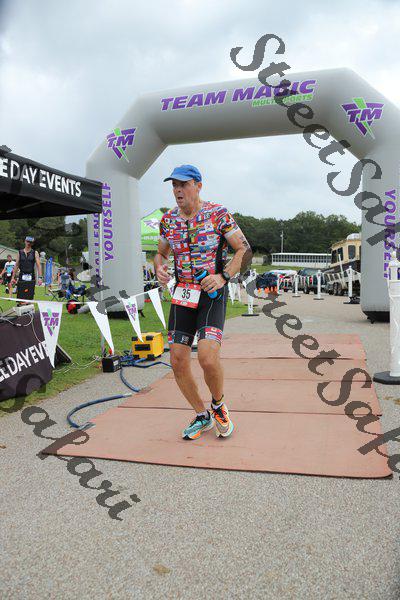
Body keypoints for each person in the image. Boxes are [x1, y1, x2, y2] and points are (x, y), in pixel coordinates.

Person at [154, 164, 252, 440]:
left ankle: (218, 405)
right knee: (177, 359)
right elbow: (160, 254)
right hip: (183, 294)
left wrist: (223, 276)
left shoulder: (218, 214)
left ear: (198, 185)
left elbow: (243, 249)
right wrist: (159, 268)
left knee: (207, 358)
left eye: (183, 184)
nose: (178, 190)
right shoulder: (168, 220)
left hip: (211, 293)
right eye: (174, 185)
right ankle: (201, 414)